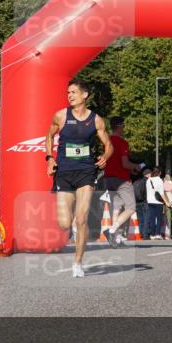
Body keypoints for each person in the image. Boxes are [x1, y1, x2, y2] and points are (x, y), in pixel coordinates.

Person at [45, 79, 113, 278]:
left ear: (85, 95)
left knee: (81, 219)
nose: (70, 96)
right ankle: (74, 230)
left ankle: (78, 263)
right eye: (68, 93)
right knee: (65, 223)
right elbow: (48, 136)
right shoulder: (61, 115)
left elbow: (109, 145)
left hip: (86, 171)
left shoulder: (96, 120)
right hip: (64, 172)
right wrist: (50, 158)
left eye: (74, 92)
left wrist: (105, 157)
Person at [102, 116, 143, 248]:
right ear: (119, 126)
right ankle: (112, 230)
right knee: (131, 207)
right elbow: (125, 164)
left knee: (117, 208)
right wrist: (135, 167)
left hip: (108, 178)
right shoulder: (122, 142)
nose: (124, 128)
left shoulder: (107, 140)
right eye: (123, 125)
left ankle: (117, 239)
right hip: (121, 180)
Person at [145, 168, 166, 240]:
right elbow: (162, 193)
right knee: (159, 218)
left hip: (150, 201)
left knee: (152, 218)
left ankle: (152, 234)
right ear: (159, 173)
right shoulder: (160, 180)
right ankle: (158, 234)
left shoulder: (148, 180)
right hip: (158, 202)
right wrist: (167, 202)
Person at [134, 168, 150, 237]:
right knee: (146, 218)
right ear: (148, 174)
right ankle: (145, 234)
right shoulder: (147, 181)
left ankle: (140, 233)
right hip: (144, 202)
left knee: (140, 219)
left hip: (136, 202)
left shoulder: (136, 182)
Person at [162, 172, 172, 238]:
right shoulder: (169, 187)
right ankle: (167, 234)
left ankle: (167, 234)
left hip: (169, 205)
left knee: (167, 220)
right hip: (169, 205)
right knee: (168, 220)